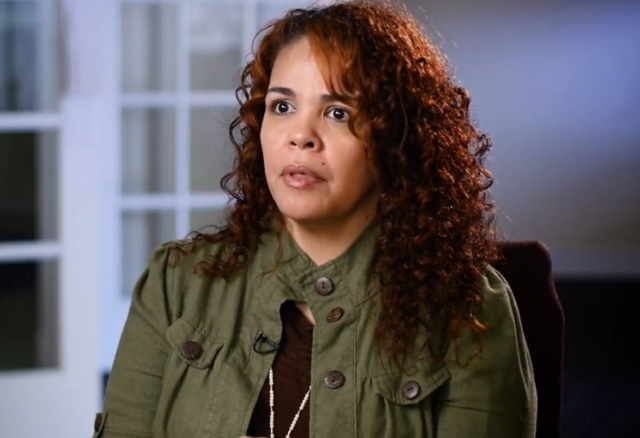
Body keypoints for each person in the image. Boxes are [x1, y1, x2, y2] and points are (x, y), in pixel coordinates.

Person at [93, 1, 537, 437]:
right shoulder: (176, 283)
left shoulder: (467, 311)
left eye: (338, 113)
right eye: (282, 107)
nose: (300, 136)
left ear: (396, 139)